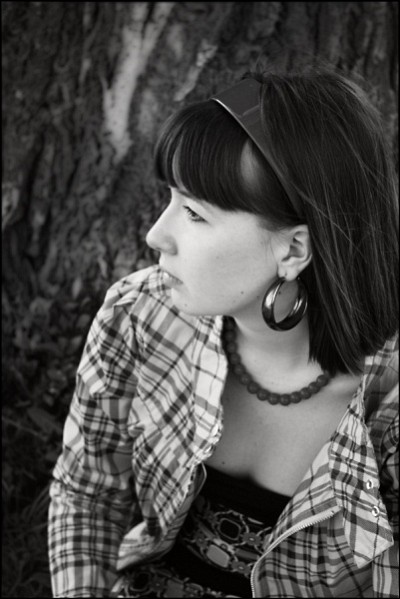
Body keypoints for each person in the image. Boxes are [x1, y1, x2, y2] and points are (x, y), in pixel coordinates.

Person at [48, 64, 399, 598]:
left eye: (194, 213)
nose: (156, 234)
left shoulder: (386, 406)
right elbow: (87, 492)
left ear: (293, 249)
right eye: (170, 198)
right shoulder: (141, 315)